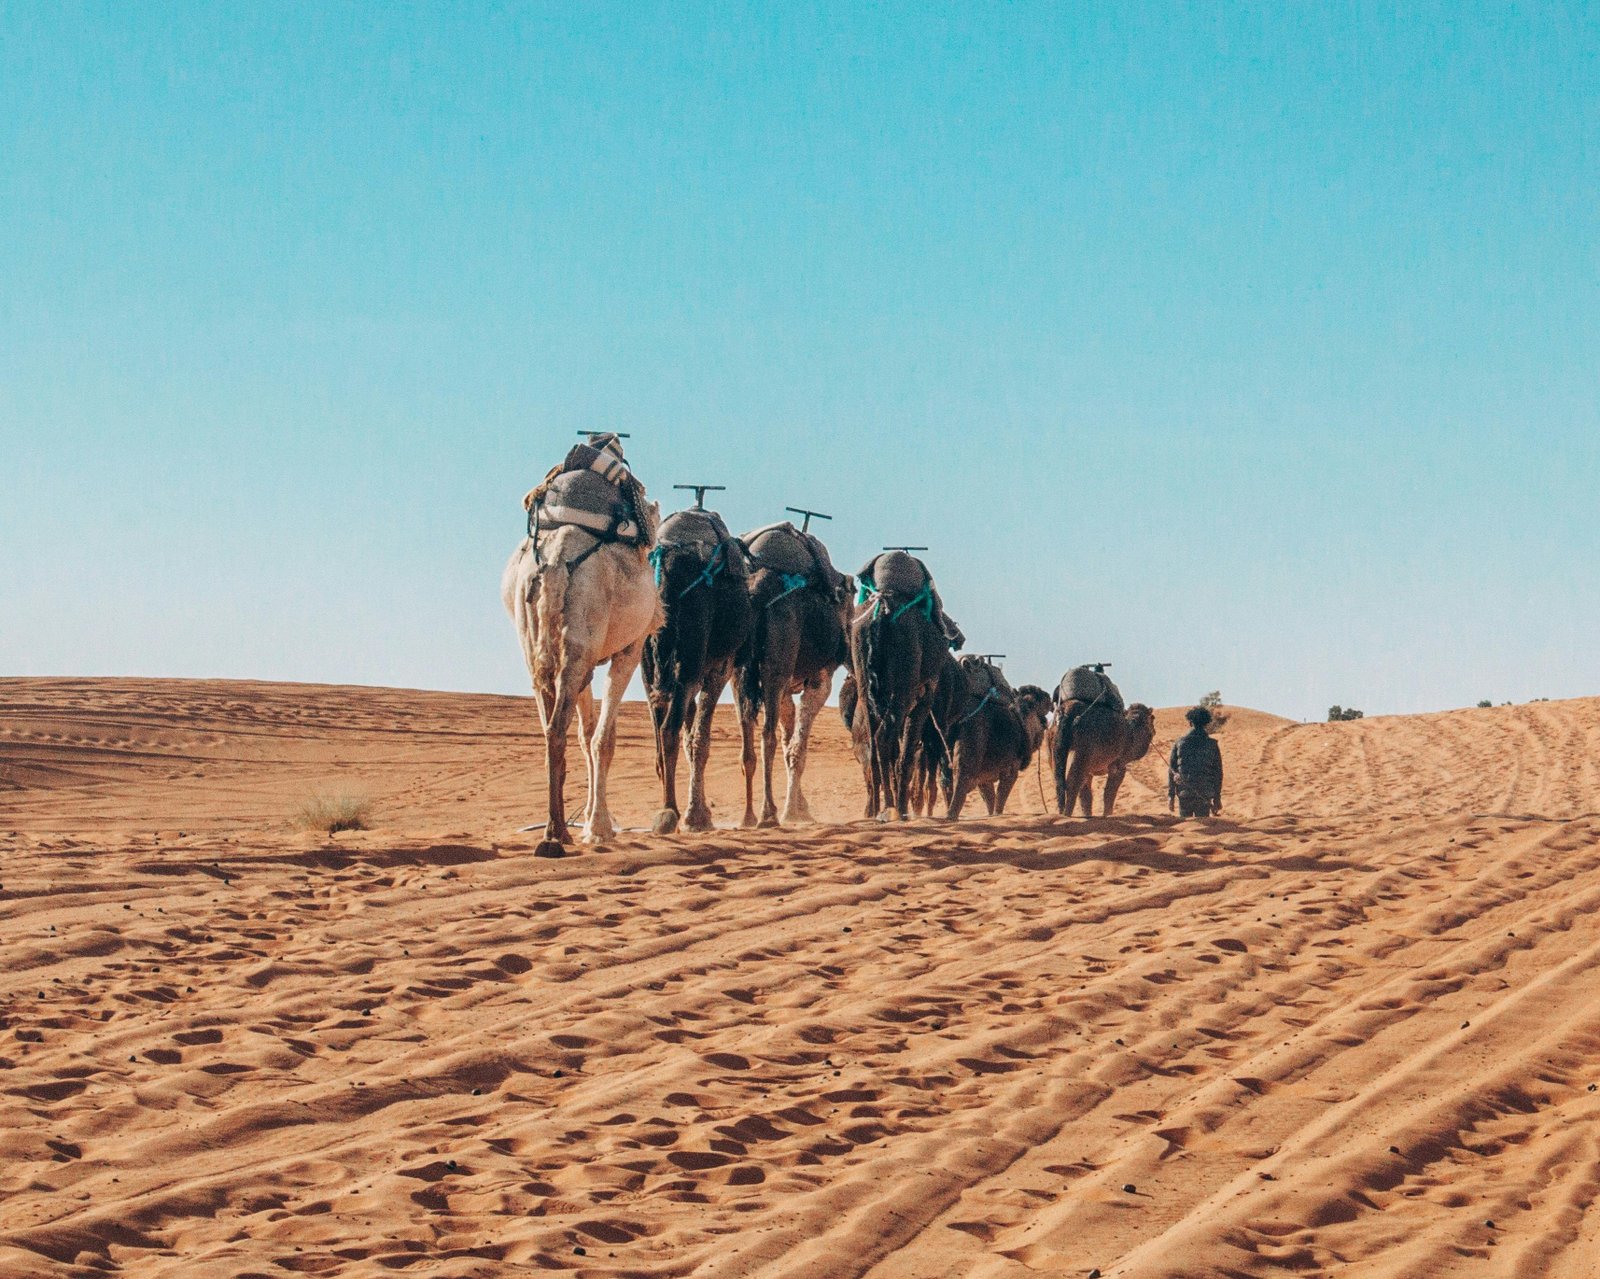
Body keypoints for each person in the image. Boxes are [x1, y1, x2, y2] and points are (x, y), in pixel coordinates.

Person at [1169, 706, 1223, 817]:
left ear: (1190, 723)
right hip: (1204, 794)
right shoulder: (1212, 744)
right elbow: (1218, 773)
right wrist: (1217, 798)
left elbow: (1171, 770)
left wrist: (1171, 796)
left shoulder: (1179, 743)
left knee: (1185, 828)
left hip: (1184, 793)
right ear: (1206, 723)